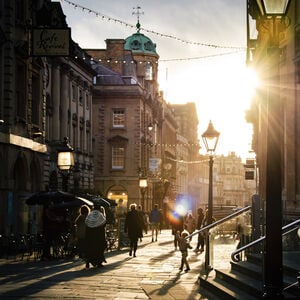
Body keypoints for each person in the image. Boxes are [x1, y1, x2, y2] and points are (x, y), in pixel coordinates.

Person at [84, 203, 107, 268]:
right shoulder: (100, 215)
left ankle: (88, 261)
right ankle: (99, 263)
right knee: (99, 249)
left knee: (90, 249)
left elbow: (86, 224)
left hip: (90, 236)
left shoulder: (90, 215)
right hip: (99, 236)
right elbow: (104, 224)